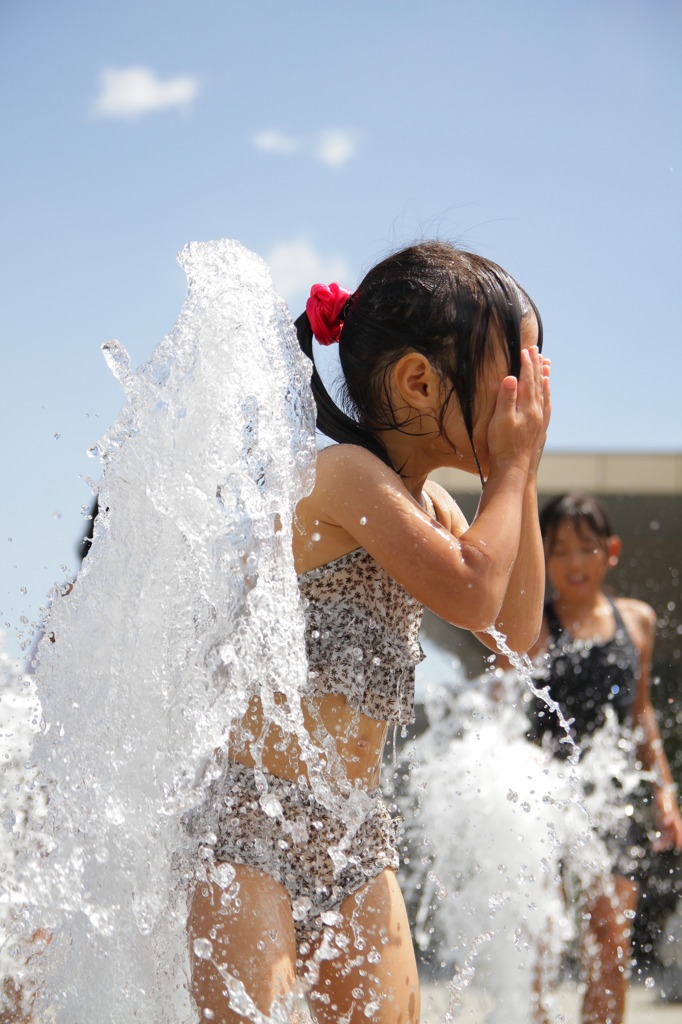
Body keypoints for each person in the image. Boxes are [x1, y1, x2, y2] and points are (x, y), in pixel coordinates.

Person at [187, 241, 551, 1024]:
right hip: (246, 822)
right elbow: (467, 590)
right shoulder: (344, 476)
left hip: (353, 832)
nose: (526, 397)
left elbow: (513, 631)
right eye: (511, 372)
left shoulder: (439, 513)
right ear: (420, 381)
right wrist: (513, 471)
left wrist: (517, 476)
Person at [526, 493, 682, 1024]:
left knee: (609, 947)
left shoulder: (635, 621)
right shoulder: (533, 628)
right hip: (543, 800)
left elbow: (641, 715)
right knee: (539, 953)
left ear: (610, 551)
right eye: (559, 550)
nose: (573, 563)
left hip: (610, 800)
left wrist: (664, 789)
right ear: (541, 557)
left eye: (586, 548)